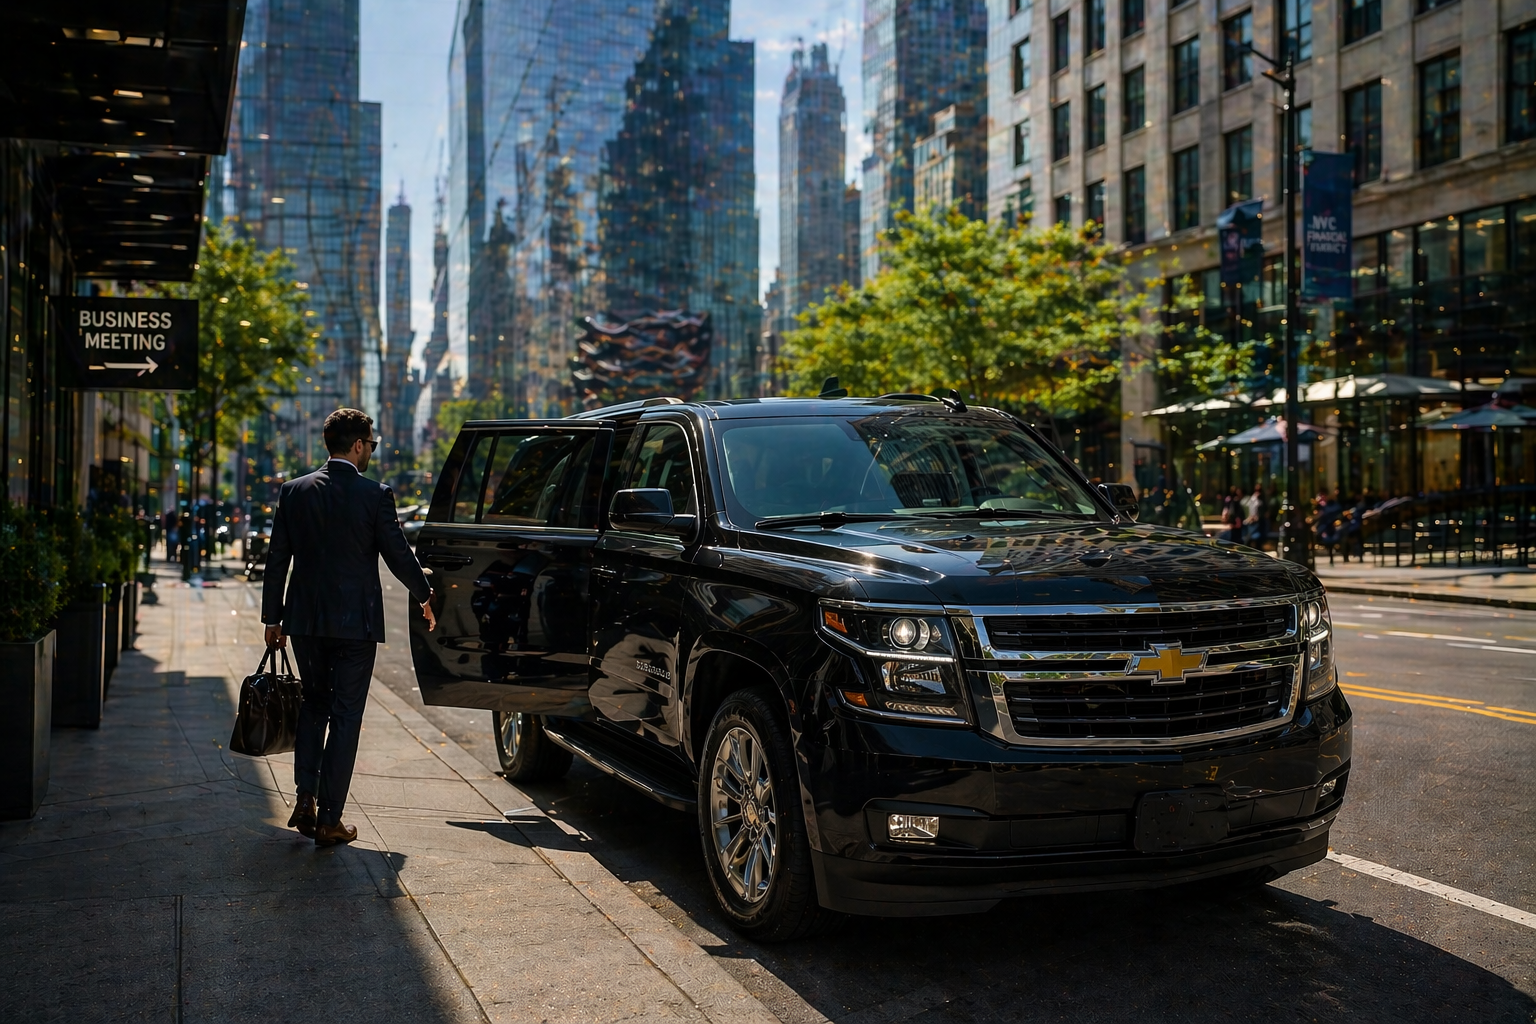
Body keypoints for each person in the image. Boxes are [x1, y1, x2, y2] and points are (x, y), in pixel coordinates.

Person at [261, 408, 437, 846]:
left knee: (314, 704)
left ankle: (305, 797)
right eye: (371, 445)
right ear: (358, 445)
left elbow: (277, 559)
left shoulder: (293, 492)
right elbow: (398, 554)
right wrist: (424, 595)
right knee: (345, 716)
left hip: (304, 622)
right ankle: (330, 818)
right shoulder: (374, 495)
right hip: (355, 625)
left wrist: (272, 619)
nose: (371, 453)